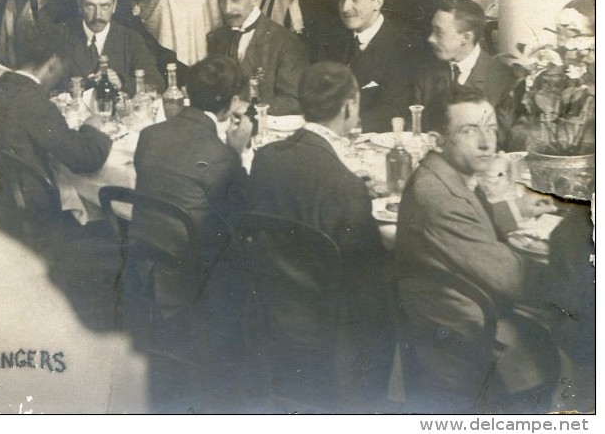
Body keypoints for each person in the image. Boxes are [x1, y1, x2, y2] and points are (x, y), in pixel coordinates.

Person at [395, 86, 558, 413]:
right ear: (438, 139)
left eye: (491, 129)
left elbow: (480, 226)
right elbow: (514, 280)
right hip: (462, 341)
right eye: (470, 131)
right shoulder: (443, 200)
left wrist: (503, 202)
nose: (487, 142)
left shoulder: (442, 175)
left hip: (455, 320)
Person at [248, 61, 392, 410]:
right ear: (349, 107)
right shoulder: (342, 185)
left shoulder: (265, 158)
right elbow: (367, 274)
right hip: (328, 322)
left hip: (273, 305)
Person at [0, 23, 112, 222]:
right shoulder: (36, 105)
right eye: (62, 70)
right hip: (26, 209)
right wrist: (92, 126)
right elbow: (86, 158)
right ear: (53, 62)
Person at [135, 55, 250, 261]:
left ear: (186, 92)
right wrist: (236, 152)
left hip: (146, 250)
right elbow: (238, 215)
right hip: (193, 260)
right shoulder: (222, 155)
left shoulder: (149, 134)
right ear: (234, 103)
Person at [323, 0, 416, 132]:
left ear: (377, 3)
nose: (345, 8)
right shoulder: (333, 38)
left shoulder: (402, 46)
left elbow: (397, 109)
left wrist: (338, 127)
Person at [207, 0, 309, 112]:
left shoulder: (285, 42)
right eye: (222, 1)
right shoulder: (217, 37)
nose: (227, 9)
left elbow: (294, 102)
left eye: (235, 0)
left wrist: (250, 108)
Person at [412, 0, 517, 136]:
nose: (431, 38)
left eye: (439, 32)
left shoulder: (504, 80)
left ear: (466, 38)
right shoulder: (426, 73)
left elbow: (502, 142)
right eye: (432, 30)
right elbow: (414, 129)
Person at [58, 0, 163, 96]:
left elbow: (156, 84)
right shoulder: (61, 36)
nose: (98, 15)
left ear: (114, 6)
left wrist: (122, 82)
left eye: (105, 6)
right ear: (80, 5)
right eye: (90, 6)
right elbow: (44, 84)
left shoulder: (130, 39)